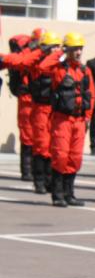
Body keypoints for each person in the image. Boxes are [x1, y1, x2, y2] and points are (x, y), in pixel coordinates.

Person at [38, 32, 95, 207]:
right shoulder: (58, 68)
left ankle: (69, 193)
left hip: (79, 120)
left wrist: (87, 118)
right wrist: (59, 52)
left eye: (80, 49)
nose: (78, 53)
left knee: (75, 158)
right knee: (60, 156)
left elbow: (90, 95)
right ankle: (57, 194)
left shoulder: (85, 70)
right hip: (62, 119)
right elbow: (42, 67)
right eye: (75, 49)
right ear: (68, 50)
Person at [2, 30, 62, 194]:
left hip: (55, 109)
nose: (57, 50)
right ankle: (38, 179)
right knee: (39, 143)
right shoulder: (36, 60)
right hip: (38, 106)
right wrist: (41, 51)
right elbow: (22, 61)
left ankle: (50, 181)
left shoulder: (60, 61)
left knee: (53, 145)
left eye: (58, 46)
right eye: (53, 47)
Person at [4, 34, 36, 181]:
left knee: (41, 137)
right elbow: (19, 61)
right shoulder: (27, 55)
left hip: (41, 102)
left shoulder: (49, 57)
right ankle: (27, 171)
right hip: (27, 99)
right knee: (27, 135)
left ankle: (38, 172)